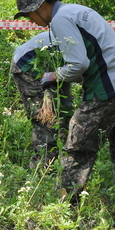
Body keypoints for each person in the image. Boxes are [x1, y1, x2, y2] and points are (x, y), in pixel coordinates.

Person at [14, 0, 115, 203]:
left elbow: (78, 63)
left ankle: (65, 214)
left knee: (77, 151)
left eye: (29, 15)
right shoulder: (80, 11)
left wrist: (52, 76)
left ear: (41, 6)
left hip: (105, 91)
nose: (31, 22)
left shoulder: (60, 19)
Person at [11, 31, 73, 169]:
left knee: (66, 110)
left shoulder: (84, 43)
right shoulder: (81, 42)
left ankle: (65, 160)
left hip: (56, 67)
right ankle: (42, 166)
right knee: (44, 118)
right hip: (28, 67)